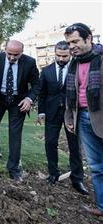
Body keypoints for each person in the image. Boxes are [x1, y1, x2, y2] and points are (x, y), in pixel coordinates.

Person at [0, 40, 40, 182]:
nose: (12, 58)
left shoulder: (30, 62)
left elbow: (37, 84)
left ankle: (13, 168)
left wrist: (29, 99)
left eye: (16, 55)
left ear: (22, 52)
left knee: (15, 135)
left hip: (18, 101)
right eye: (9, 54)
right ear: (5, 50)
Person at [37, 41, 88, 195]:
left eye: (64, 56)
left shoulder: (77, 68)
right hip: (52, 113)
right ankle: (53, 173)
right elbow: (42, 93)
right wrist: (41, 112)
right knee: (50, 143)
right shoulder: (46, 71)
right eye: (58, 55)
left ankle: (77, 179)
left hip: (72, 113)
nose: (61, 58)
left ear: (70, 54)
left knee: (74, 146)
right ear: (55, 53)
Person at [64, 22, 103, 217]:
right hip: (84, 120)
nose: (71, 46)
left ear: (89, 38)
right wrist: (70, 117)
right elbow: (70, 95)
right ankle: (102, 208)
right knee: (96, 167)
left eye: (75, 41)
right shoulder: (74, 63)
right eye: (69, 43)